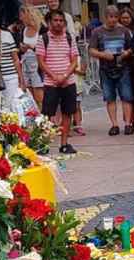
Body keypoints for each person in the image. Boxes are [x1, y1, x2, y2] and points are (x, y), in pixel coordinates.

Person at [37, 8, 78, 154]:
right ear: (49, 22)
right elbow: (41, 62)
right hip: (50, 83)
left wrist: (65, 75)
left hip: (69, 82)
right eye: (55, 20)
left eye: (61, 21)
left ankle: (64, 144)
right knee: (47, 114)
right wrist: (54, 76)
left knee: (68, 113)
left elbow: (74, 60)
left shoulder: (69, 38)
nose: (58, 23)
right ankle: (43, 144)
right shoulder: (43, 39)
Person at [90, 5, 134, 135]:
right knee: (110, 97)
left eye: (116, 17)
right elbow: (91, 50)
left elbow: (132, 47)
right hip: (105, 68)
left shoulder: (125, 31)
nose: (113, 20)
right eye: (111, 17)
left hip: (123, 67)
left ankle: (128, 124)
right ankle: (114, 124)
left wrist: (126, 53)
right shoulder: (97, 32)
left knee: (126, 96)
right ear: (105, 17)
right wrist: (103, 55)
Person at [19, 4, 45, 106]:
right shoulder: (24, 30)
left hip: (38, 64)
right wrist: (22, 48)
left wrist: (31, 47)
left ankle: (44, 117)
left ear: (29, 15)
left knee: (39, 95)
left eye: (22, 15)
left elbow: (46, 48)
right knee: (29, 95)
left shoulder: (42, 29)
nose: (20, 18)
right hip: (25, 63)